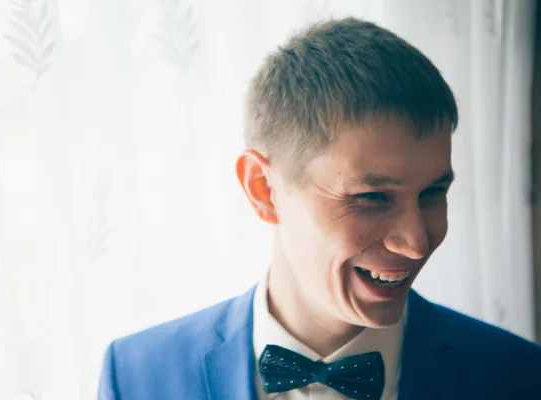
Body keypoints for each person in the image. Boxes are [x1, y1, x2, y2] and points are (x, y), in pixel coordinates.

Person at [98, 18, 541, 400]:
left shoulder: (517, 376)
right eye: (372, 198)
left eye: (432, 194)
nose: (417, 242)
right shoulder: (138, 377)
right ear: (263, 190)